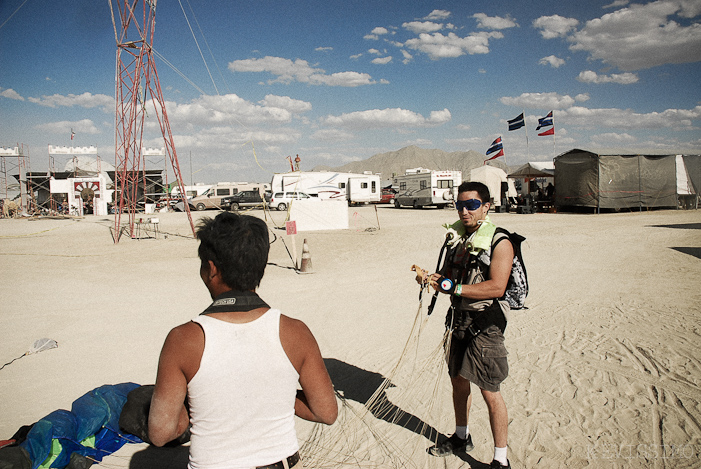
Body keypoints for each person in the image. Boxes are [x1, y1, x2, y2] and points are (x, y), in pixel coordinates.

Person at [148, 212, 338, 469]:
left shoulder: (183, 340)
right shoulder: (295, 332)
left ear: (211, 269)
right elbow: (325, 412)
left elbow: (161, 433)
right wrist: (274, 394)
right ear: (260, 267)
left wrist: (192, 406)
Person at [416, 181, 513, 468]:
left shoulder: (500, 241)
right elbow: (447, 276)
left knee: (489, 391)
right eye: (460, 204)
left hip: (484, 326)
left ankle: (500, 460)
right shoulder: (456, 240)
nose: (464, 210)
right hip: (457, 322)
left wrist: (454, 289)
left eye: (471, 204)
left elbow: (496, 287)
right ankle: (461, 436)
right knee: (458, 382)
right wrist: (431, 279)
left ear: (486, 206)